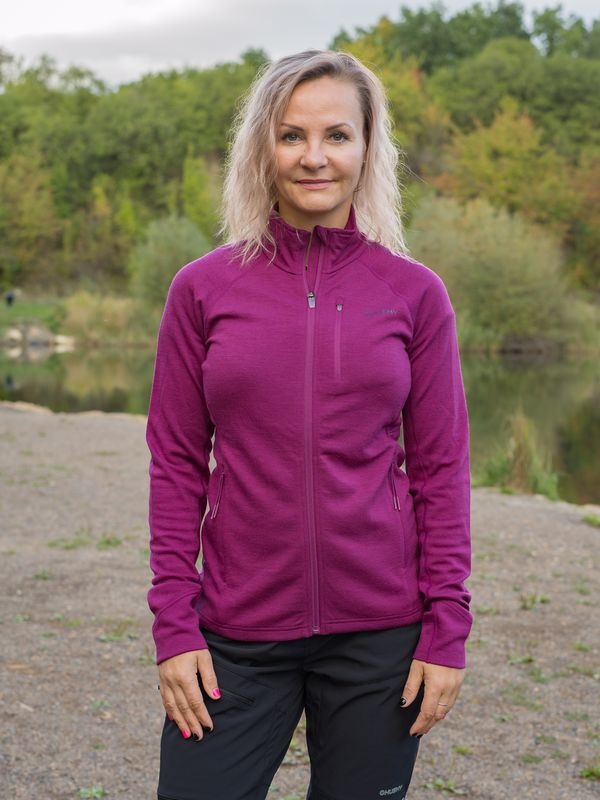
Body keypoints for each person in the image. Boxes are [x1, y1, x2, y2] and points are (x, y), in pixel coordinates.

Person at [145, 49, 472, 800]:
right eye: (292, 135)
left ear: (367, 147)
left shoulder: (415, 294)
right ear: (263, 147)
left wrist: (446, 628)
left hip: (379, 638)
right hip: (235, 632)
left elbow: (441, 469)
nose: (314, 157)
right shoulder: (201, 290)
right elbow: (176, 464)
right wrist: (174, 626)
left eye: (337, 135)